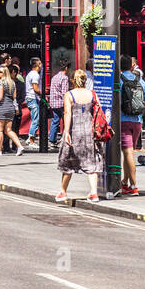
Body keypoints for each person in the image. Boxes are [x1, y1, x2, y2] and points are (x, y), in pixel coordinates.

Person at [57, 69, 103, 202]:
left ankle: (63, 191)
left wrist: (66, 132)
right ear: (85, 81)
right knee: (91, 161)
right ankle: (94, 192)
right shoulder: (92, 94)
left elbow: (67, 113)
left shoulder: (69, 95)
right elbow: (98, 109)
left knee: (68, 161)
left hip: (74, 131)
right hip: (89, 131)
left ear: (72, 81)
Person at [120, 53, 145, 196]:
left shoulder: (118, 81)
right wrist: (137, 105)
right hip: (138, 121)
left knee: (128, 153)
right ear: (131, 66)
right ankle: (125, 182)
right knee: (128, 153)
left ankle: (134, 185)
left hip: (123, 120)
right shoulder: (141, 81)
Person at [0, 65, 23, 156]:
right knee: (8, 130)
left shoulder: (1, 83)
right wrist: (16, 108)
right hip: (10, 108)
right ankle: (19, 146)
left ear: (4, 73)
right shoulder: (12, 82)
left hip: (2, 107)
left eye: (0, 72)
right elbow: (14, 97)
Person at [48, 59, 70, 147]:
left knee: (55, 121)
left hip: (54, 102)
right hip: (61, 103)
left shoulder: (55, 77)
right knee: (66, 121)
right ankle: (65, 139)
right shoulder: (64, 78)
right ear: (66, 68)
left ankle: (52, 140)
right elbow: (65, 92)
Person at [24, 58, 42, 147]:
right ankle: (31, 140)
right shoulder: (35, 75)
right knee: (36, 119)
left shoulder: (30, 74)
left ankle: (29, 139)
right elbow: (35, 88)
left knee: (35, 119)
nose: (42, 65)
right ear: (38, 64)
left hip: (30, 98)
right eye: (41, 63)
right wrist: (42, 94)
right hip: (33, 98)